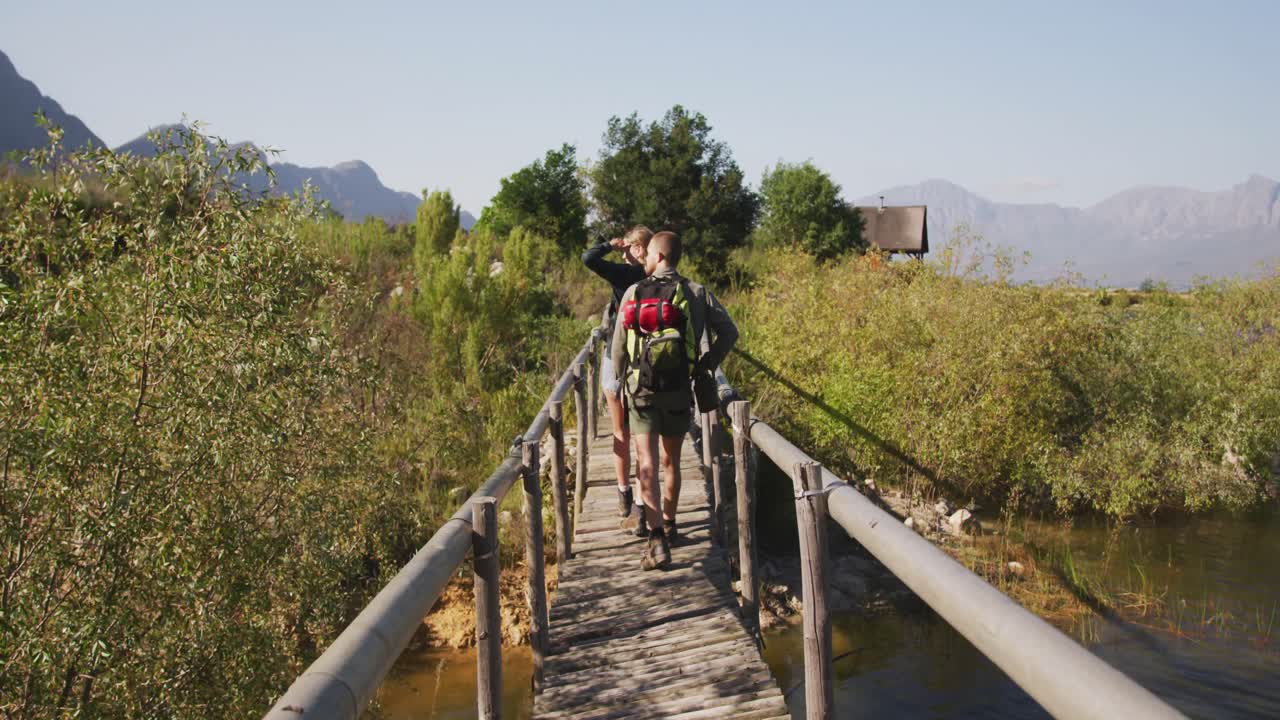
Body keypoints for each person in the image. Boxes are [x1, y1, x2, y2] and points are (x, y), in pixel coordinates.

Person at [610, 231, 738, 570]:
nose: (646, 260)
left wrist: (622, 383)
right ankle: (669, 523)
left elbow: (618, 349)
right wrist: (706, 365)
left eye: (649, 254)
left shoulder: (634, 292)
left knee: (646, 465)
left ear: (660, 257)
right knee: (672, 462)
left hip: (642, 393)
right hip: (681, 389)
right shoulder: (696, 292)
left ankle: (656, 541)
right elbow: (730, 332)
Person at [581, 225, 653, 532]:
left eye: (631, 247)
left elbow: (588, 257)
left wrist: (610, 245)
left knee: (620, 430)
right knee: (642, 436)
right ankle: (639, 504)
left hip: (616, 355)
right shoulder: (654, 277)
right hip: (646, 362)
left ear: (635, 249)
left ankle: (623, 494)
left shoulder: (624, 276)